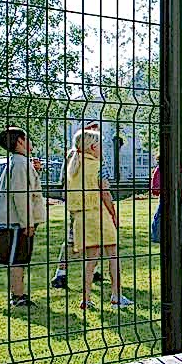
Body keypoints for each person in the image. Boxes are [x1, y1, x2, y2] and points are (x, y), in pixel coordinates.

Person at [65, 128, 132, 309]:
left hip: (81, 217)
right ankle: (116, 296)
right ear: (93, 147)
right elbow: (105, 192)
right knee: (113, 255)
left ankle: (85, 299)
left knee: (90, 259)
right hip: (99, 214)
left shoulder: (74, 167)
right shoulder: (97, 166)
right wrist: (113, 213)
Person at [0, 127, 46, 308]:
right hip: (16, 221)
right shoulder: (20, 164)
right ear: (20, 141)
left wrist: (36, 171)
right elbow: (20, 195)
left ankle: (18, 293)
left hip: (16, 220)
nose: (31, 142)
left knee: (20, 258)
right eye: (27, 138)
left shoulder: (20, 162)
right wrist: (27, 223)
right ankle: (17, 295)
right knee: (17, 259)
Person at [52, 122, 105, 290]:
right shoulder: (74, 156)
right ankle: (60, 274)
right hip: (80, 204)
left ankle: (93, 271)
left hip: (92, 203)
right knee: (73, 240)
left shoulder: (97, 157)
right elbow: (65, 180)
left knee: (96, 239)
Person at [149, 155, 182, 245]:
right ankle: (160, 238)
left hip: (181, 201)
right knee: (161, 224)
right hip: (166, 201)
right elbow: (154, 190)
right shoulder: (159, 170)